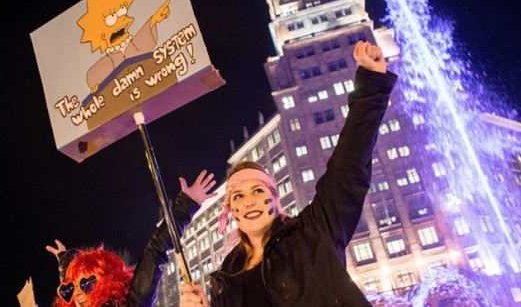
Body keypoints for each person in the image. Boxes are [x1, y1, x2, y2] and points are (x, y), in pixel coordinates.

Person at [179, 40, 398, 306]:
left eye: (258, 191)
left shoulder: (313, 232)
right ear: (230, 210)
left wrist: (372, 84)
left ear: (274, 199)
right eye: (237, 196)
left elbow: (348, 165)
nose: (248, 201)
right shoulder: (225, 282)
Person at [23, 169, 216, 307]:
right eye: (72, 287)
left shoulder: (132, 302)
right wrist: (66, 264)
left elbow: (155, 251)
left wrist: (186, 204)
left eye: (86, 284)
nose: (79, 292)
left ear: (107, 283)